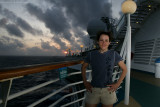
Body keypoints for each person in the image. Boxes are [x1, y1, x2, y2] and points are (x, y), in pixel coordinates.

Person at [81, 31, 127, 107]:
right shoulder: (91, 55)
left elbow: (124, 69)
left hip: (108, 90)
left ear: (109, 43)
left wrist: (117, 84)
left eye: (106, 40)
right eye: (101, 40)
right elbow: (83, 67)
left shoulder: (114, 54)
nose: (103, 43)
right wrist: (85, 82)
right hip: (93, 89)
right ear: (98, 42)